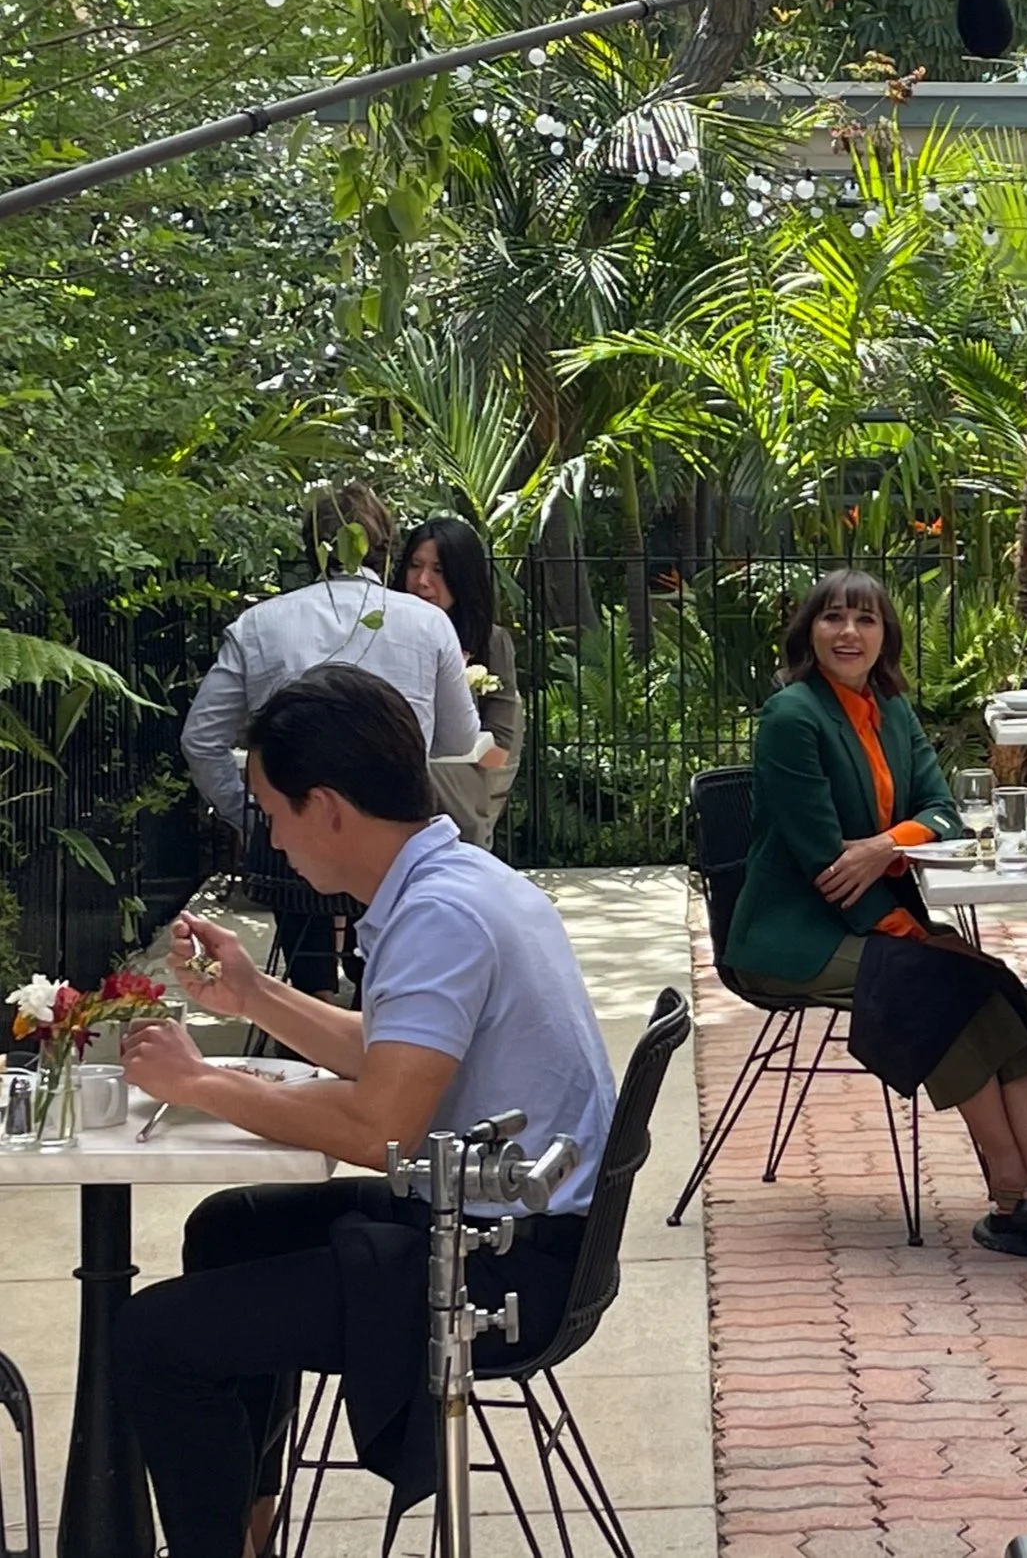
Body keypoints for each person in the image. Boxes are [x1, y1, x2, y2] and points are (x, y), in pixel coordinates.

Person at [115, 664, 616, 1558]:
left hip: (500, 1268)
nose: (271, 835)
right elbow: (393, 1054)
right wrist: (252, 993)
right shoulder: (458, 878)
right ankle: (247, 1532)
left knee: (153, 1337)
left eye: (273, 810)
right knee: (229, 1230)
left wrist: (202, 1084)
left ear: (328, 807)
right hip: (511, 1228)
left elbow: (377, 1126)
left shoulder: (439, 915)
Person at [717, 570, 1027, 1237]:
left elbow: (943, 811)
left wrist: (885, 845)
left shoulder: (892, 711)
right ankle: (1014, 1177)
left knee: (993, 981)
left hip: (871, 915)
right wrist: (907, 925)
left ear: (885, 636)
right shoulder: (792, 717)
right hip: (795, 937)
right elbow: (828, 866)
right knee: (941, 984)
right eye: (832, 617)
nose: (848, 632)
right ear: (809, 632)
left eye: (865, 619)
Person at [183, 483, 480, 998]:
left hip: (292, 852)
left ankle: (311, 991)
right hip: (393, 847)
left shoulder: (260, 625)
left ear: (312, 546)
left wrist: (253, 816)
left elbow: (200, 737)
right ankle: (375, 997)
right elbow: (459, 738)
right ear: (384, 547)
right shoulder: (429, 623)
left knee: (298, 825)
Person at [394, 515, 520, 849]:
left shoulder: (491, 643)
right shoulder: (383, 633)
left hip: (456, 805)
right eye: (415, 566)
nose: (423, 581)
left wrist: (453, 757)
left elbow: (501, 749)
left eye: (439, 570)